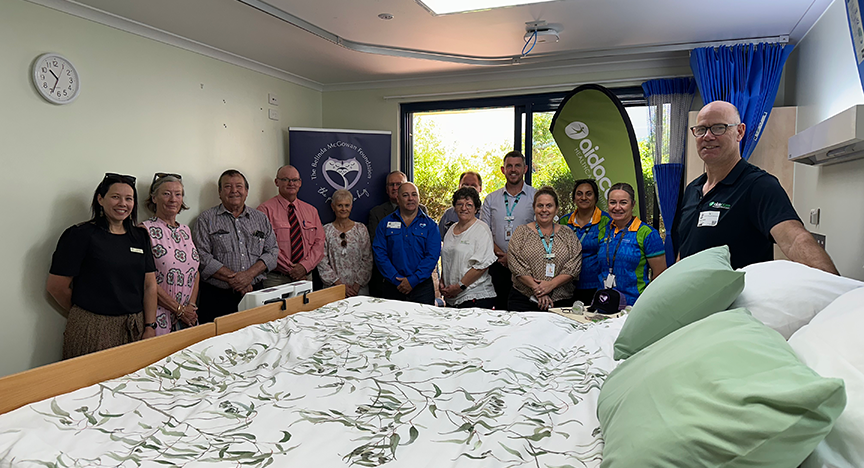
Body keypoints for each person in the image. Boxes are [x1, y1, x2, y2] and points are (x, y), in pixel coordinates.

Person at [674, 100, 838, 273]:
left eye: (718, 127)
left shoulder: (759, 186)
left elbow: (795, 239)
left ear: (739, 132)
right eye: (701, 129)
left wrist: (836, 288)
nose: (707, 136)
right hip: (694, 297)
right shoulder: (692, 189)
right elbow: (685, 247)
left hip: (736, 298)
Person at [46, 173, 158, 359]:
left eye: (128, 198)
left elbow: (150, 285)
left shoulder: (140, 237)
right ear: (100, 199)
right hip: (92, 329)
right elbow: (56, 286)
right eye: (115, 197)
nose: (123, 203)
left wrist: (150, 326)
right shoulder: (80, 235)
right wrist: (86, 314)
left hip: (134, 326)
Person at [194, 169, 278, 323]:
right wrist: (237, 280)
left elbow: (272, 252)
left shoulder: (261, 219)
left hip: (256, 293)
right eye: (227, 186)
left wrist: (248, 275)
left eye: (239, 186)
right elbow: (202, 256)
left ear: (246, 191)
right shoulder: (205, 219)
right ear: (219, 192)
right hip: (217, 297)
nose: (234, 191)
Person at [141, 173, 199, 335]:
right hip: (157, 317)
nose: (173, 199)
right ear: (154, 198)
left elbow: (195, 272)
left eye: (178, 194)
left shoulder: (185, 230)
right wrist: (178, 309)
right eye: (166, 194)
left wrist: (190, 308)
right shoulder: (145, 230)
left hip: (187, 318)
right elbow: (146, 280)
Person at [507, 186, 582, 311]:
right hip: (524, 300)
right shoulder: (521, 232)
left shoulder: (568, 234)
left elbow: (574, 265)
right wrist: (538, 289)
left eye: (549, 206)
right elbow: (515, 264)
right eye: (540, 206)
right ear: (534, 208)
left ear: (556, 209)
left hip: (561, 302)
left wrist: (551, 285)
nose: (544, 210)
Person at [480, 151, 537, 309]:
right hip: (497, 264)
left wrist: (512, 257)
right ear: (502, 170)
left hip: (526, 266)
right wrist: (502, 256)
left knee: (522, 311)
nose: (513, 170)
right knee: (498, 311)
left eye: (517, 166)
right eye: (509, 166)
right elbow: (484, 233)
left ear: (525, 169)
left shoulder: (536, 197)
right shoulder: (491, 199)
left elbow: (540, 232)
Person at [597, 183, 666, 306]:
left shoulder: (647, 234)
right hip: (604, 303)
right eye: (613, 202)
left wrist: (648, 303)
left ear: (633, 204)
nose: (617, 207)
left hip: (633, 305)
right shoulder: (603, 231)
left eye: (623, 203)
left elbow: (660, 275)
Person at [372, 182, 441, 304]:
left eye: (414, 195)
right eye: (405, 195)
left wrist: (413, 280)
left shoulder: (430, 226)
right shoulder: (384, 224)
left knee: (422, 323)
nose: (410, 198)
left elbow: (432, 257)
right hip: (393, 286)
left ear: (418, 198)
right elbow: (380, 254)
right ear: (397, 199)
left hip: (422, 289)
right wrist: (396, 280)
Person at [257, 165, 325, 287]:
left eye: (294, 180)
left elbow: (319, 243)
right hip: (276, 278)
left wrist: (304, 267)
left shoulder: (311, 211)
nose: (291, 183)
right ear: (276, 182)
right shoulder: (264, 210)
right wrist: (291, 270)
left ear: (300, 183)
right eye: (285, 179)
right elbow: (264, 246)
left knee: (306, 307)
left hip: (305, 276)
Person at [367, 170, 427, 296]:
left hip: (418, 282)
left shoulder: (422, 211)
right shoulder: (377, 213)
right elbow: (378, 249)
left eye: (398, 184)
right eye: (391, 184)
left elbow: (428, 250)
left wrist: (412, 280)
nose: (395, 188)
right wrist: (396, 278)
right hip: (387, 281)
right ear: (386, 189)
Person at [439, 187, 497, 308]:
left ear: (476, 209)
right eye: (459, 204)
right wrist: (443, 282)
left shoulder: (481, 229)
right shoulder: (451, 229)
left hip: (475, 297)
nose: (464, 208)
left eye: (469, 205)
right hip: (452, 297)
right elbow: (448, 258)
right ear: (454, 207)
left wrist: (460, 286)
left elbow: (481, 266)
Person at [559, 179, 612, 304]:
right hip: (567, 286)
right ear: (574, 198)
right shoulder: (564, 222)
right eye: (579, 194)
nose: (583, 197)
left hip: (596, 285)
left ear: (595, 197)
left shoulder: (607, 221)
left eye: (588, 194)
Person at [317, 189, 373, 296]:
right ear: (333, 207)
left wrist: (357, 285)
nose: (343, 209)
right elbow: (322, 261)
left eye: (347, 205)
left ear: (351, 207)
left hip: (358, 289)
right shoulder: (325, 230)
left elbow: (368, 260)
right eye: (340, 205)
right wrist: (339, 285)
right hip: (333, 288)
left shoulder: (361, 229)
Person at [438, 171, 483, 239]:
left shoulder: (486, 215)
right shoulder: (449, 215)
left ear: (480, 189)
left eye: (473, 185)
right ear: (459, 186)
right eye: (465, 185)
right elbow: (439, 239)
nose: (468, 188)